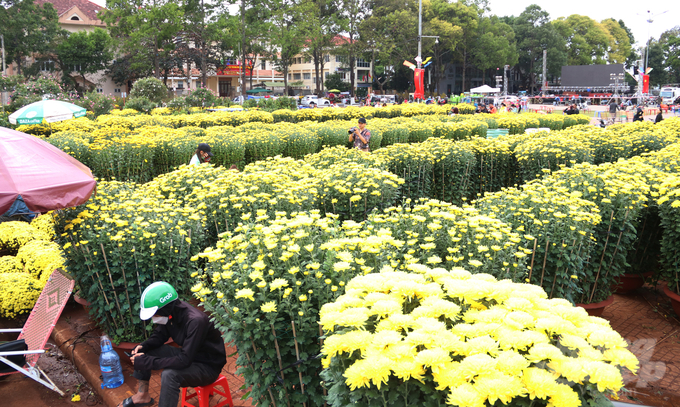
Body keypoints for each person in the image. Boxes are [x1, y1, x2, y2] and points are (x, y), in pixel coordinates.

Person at [118, 282, 227, 407]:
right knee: (144, 352)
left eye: (155, 313)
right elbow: (160, 335)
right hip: (191, 356)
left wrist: (149, 362)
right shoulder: (171, 314)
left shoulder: (195, 321)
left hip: (207, 367)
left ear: (164, 308)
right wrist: (144, 346)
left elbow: (184, 360)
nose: (154, 317)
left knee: (169, 375)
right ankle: (143, 396)